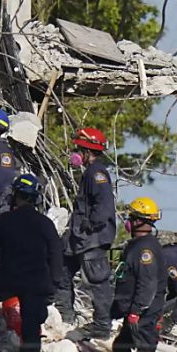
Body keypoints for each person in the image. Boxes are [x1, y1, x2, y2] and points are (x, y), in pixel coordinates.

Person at [0, 174, 63, 352]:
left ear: (15, 195)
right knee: (31, 329)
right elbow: (56, 256)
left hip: (8, 276)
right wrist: (53, 284)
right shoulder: (45, 223)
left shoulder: (4, 220)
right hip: (36, 282)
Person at [57, 127, 116, 338]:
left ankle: (102, 327)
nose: (75, 153)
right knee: (62, 270)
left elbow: (105, 206)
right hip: (79, 238)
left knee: (97, 281)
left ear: (86, 151)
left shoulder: (96, 173)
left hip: (92, 239)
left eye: (78, 148)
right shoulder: (90, 173)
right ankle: (65, 317)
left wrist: (90, 224)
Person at [111, 198, 166, 352]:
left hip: (144, 313)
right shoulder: (138, 245)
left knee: (144, 348)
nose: (127, 221)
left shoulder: (145, 250)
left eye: (130, 217)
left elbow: (148, 284)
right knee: (121, 346)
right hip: (136, 311)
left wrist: (136, 312)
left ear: (137, 221)